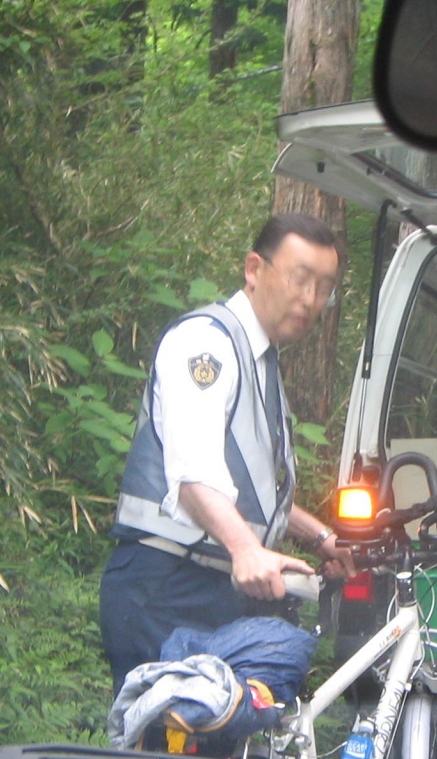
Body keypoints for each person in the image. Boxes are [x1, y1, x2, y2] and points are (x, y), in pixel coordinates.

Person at [100, 213, 355, 693]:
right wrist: (245, 549)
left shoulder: (260, 357)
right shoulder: (207, 344)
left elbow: (248, 487)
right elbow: (194, 472)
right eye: (300, 279)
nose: (310, 300)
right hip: (166, 585)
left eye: (324, 288)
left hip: (211, 587)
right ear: (254, 270)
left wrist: (320, 536)